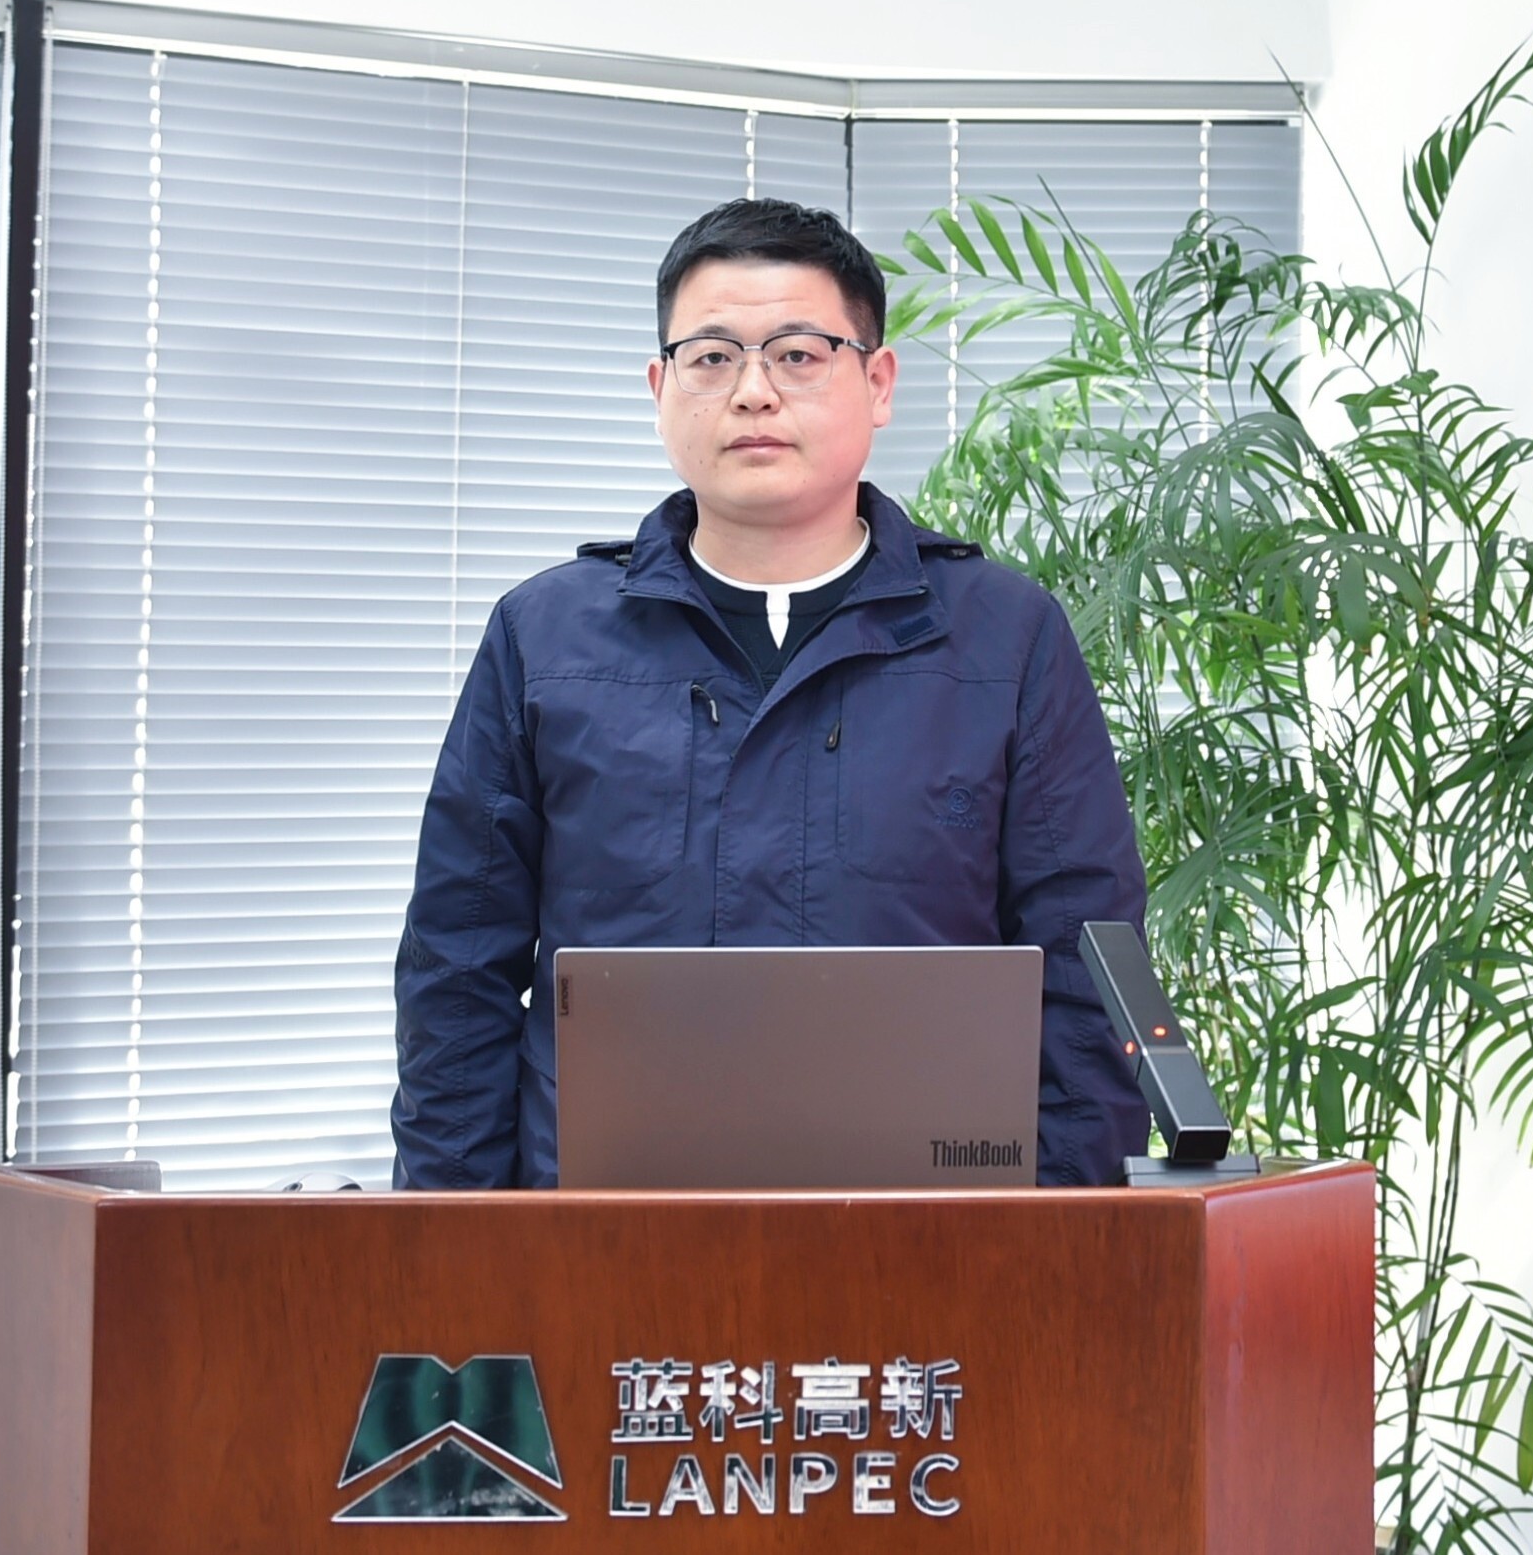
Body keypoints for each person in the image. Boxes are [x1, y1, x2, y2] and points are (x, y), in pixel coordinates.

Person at [389, 197, 1149, 1188]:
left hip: (930, 1232)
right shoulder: (544, 637)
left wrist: (1061, 1238)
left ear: (877, 382)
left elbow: (1087, 975)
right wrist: (453, 1244)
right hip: (599, 1234)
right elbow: (457, 975)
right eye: (711, 357)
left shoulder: (1005, 639)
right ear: (660, 387)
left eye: (798, 354)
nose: (753, 392)